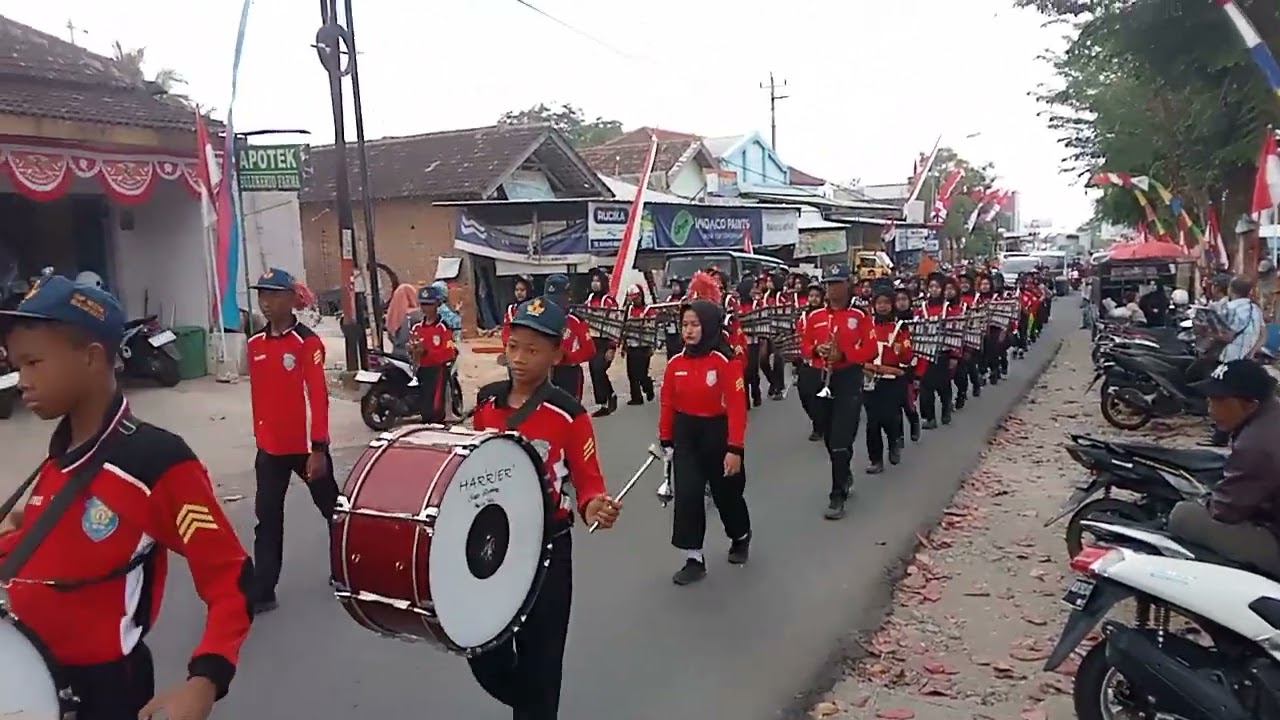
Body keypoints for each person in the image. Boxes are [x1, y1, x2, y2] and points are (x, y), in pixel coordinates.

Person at [0, 274, 253, 719]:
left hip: (105, 692)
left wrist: (205, 681)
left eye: (35, 362)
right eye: (18, 365)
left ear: (91, 358)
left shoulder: (155, 461)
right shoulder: (61, 457)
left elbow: (231, 577)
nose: (22, 380)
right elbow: (54, 558)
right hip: (29, 680)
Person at [468, 296, 620, 720]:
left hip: (547, 552)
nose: (518, 359)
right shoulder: (485, 404)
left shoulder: (570, 416)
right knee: (483, 654)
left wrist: (595, 508)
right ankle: (536, 704)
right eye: (513, 346)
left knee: (541, 659)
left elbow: (588, 483)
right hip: (492, 550)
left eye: (532, 350)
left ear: (557, 353)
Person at [246, 268, 340, 613]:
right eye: (262, 295)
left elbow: (318, 396)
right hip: (270, 450)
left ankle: (346, 568)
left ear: (290, 299)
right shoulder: (254, 344)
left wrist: (319, 448)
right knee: (267, 519)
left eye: (273, 295)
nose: (266, 303)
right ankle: (264, 588)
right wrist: (261, 438)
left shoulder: (307, 343)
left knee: (333, 510)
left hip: (305, 450)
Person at [660, 295, 750, 585]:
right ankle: (693, 557)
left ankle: (740, 535)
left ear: (708, 326)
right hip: (686, 433)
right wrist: (666, 438)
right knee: (687, 495)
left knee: (727, 494)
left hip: (718, 432)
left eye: (695, 324)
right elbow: (667, 402)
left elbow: (737, 406)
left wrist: (734, 448)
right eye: (684, 324)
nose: (688, 330)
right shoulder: (675, 363)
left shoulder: (724, 361)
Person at [1168, 359, 1280, 576]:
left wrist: (1204, 501)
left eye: (1219, 402)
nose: (1211, 410)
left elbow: (1226, 510)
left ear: (1250, 405)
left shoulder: (1256, 443)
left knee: (1183, 515)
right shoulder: (1271, 416)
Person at [800, 264, 876, 520]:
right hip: (822, 377)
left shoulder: (861, 315)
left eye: (837, 283)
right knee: (831, 440)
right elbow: (805, 343)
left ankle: (837, 496)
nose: (832, 288)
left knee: (842, 439)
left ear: (848, 285)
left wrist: (846, 355)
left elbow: (872, 349)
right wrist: (816, 350)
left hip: (848, 378)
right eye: (829, 283)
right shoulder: (814, 316)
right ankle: (843, 471)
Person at [862, 287, 912, 474]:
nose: (882, 307)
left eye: (886, 303)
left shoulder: (900, 327)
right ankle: (876, 460)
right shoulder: (867, 326)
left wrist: (901, 351)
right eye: (878, 303)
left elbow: (907, 356)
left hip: (893, 379)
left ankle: (894, 443)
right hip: (869, 378)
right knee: (872, 422)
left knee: (889, 417)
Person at [409, 284, 458, 423]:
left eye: (429, 304)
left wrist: (428, 352)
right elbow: (412, 346)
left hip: (438, 370)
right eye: (423, 304)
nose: (426, 308)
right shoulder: (416, 327)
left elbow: (449, 352)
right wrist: (413, 350)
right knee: (424, 404)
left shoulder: (443, 327)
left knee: (436, 408)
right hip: (422, 369)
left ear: (437, 304)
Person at [545, 274, 595, 402]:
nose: (553, 304)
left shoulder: (576, 321)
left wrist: (567, 357)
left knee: (571, 413)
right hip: (544, 373)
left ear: (568, 296)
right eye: (550, 300)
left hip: (569, 373)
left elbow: (589, 351)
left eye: (557, 300)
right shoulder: (539, 319)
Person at [915, 274, 954, 428]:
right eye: (931, 287)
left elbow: (954, 333)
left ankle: (946, 410)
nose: (934, 290)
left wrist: (954, 355)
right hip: (925, 353)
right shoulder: (921, 309)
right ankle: (929, 417)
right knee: (925, 388)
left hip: (943, 353)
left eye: (937, 287)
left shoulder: (948, 309)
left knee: (944, 386)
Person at [582, 269, 620, 417]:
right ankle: (605, 401)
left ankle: (609, 397)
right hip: (593, 341)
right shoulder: (589, 299)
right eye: (593, 280)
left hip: (606, 341)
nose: (595, 284)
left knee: (599, 368)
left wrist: (612, 346)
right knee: (594, 370)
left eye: (598, 280)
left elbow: (616, 324)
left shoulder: (609, 302)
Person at [796, 283, 827, 442]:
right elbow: (799, 337)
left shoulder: (827, 314)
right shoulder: (802, 316)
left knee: (819, 397)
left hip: (823, 363)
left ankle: (820, 427)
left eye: (817, 296)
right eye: (811, 296)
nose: (814, 299)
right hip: (806, 360)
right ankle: (818, 421)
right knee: (805, 395)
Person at [893, 287, 921, 442]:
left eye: (904, 299)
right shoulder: (891, 321)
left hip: (911, 367)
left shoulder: (916, 321)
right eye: (898, 300)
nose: (901, 303)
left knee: (908, 403)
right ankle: (899, 436)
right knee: (894, 406)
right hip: (893, 367)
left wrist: (919, 373)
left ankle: (914, 422)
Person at [622, 284, 656, 405]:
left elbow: (652, 328)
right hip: (631, 345)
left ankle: (648, 387)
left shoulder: (649, 310)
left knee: (641, 373)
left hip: (644, 346)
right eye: (632, 298)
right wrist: (623, 345)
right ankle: (636, 397)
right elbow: (624, 328)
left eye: (636, 297)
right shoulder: (628, 310)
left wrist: (651, 346)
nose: (635, 300)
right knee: (631, 374)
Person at [386, 283, 423, 356]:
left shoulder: (391, 315)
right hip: (411, 356)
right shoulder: (416, 315)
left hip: (396, 355)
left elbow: (391, 337)